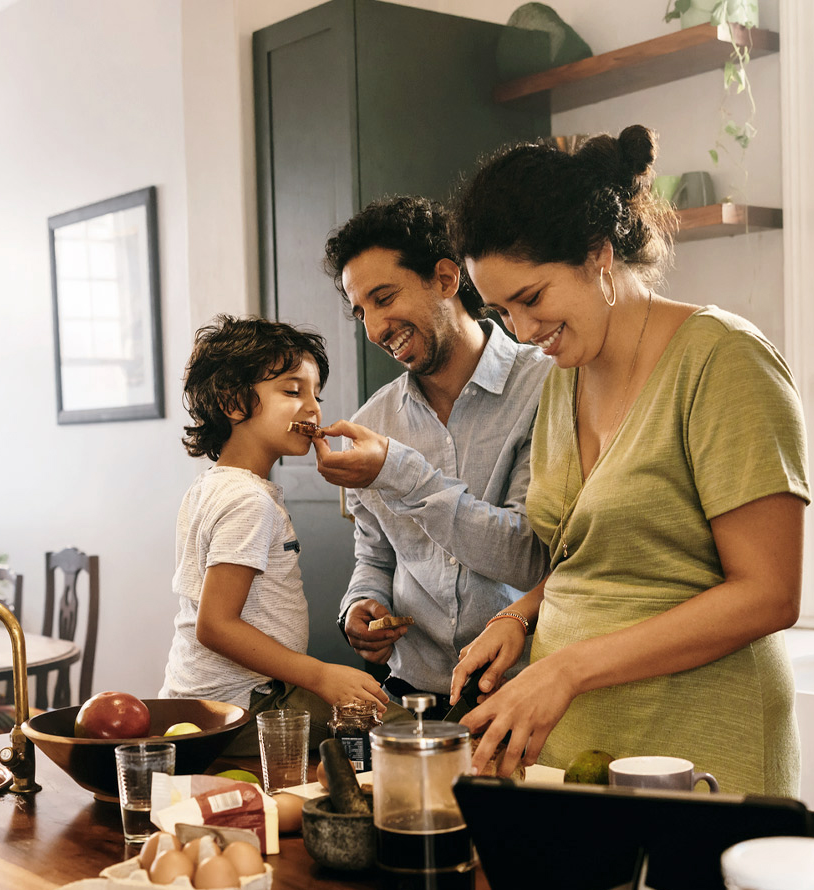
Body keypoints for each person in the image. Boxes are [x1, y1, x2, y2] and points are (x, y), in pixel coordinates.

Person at [448, 126, 809, 796]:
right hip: (575, 750)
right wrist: (520, 615)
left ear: (599, 253)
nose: (522, 332)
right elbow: (603, 555)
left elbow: (770, 592)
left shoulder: (724, 360)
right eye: (500, 311)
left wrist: (567, 669)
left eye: (532, 298)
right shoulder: (562, 377)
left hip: (702, 748)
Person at [312, 197, 552, 720]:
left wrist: (397, 472)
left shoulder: (547, 386)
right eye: (361, 312)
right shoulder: (373, 421)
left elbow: (530, 556)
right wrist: (359, 609)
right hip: (413, 698)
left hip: (525, 697)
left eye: (384, 297)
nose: (374, 329)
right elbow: (375, 556)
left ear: (445, 278)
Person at [160, 315, 388, 753]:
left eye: (316, 394)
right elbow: (216, 625)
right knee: (387, 734)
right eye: (292, 390)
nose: (313, 408)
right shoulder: (249, 501)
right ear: (232, 403)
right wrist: (321, 675)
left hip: (214, 702)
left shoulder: (213, 484)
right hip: (245, 708)